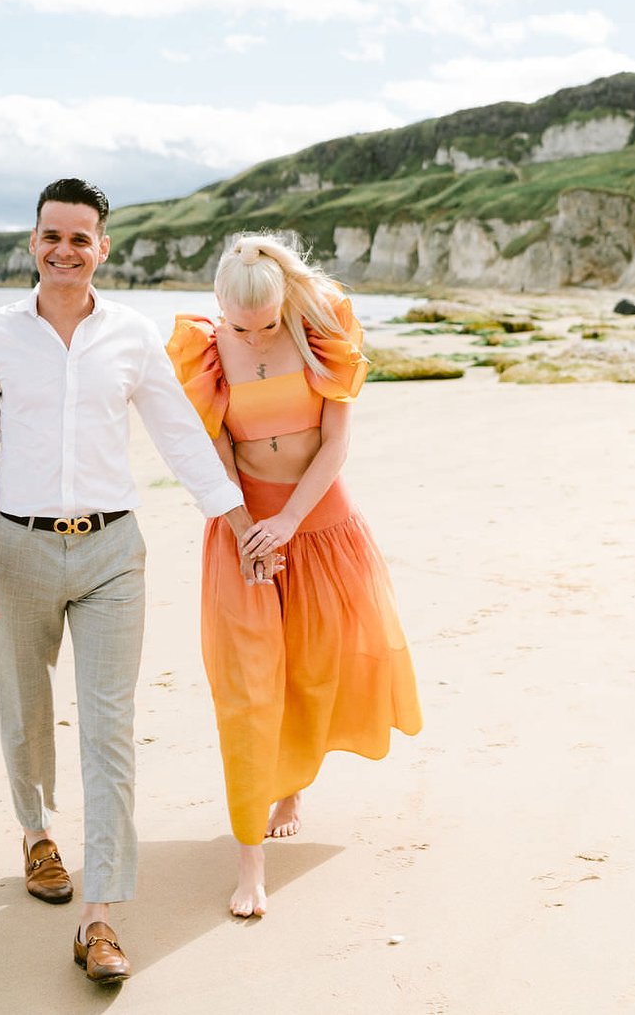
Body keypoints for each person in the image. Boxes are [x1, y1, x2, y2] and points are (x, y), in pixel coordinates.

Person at [0, 178, 272, 983]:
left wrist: (237, 523)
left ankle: (99, 917)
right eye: (52, 236)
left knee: (109, 729)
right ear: (33, 243)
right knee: (24, 710)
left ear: (103, 248)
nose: (65, 250)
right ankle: (36, 834)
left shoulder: (129, 336)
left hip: (111, 554)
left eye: (81, 238)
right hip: (19, 547)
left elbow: (180, 435)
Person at [167, 233, 423, 917]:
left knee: (315, 668)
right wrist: (248, 527)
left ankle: (293, 784)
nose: (253, 338)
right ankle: (250, 859)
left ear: (286, 302)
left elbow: (336, 443)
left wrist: (289, 523)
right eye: (239, 325)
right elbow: (215, 449)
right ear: (219, 306)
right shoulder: (202, 346)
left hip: (320, 524)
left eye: (268, 324)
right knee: (248, 687)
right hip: (243, 529)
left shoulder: (325, 325)